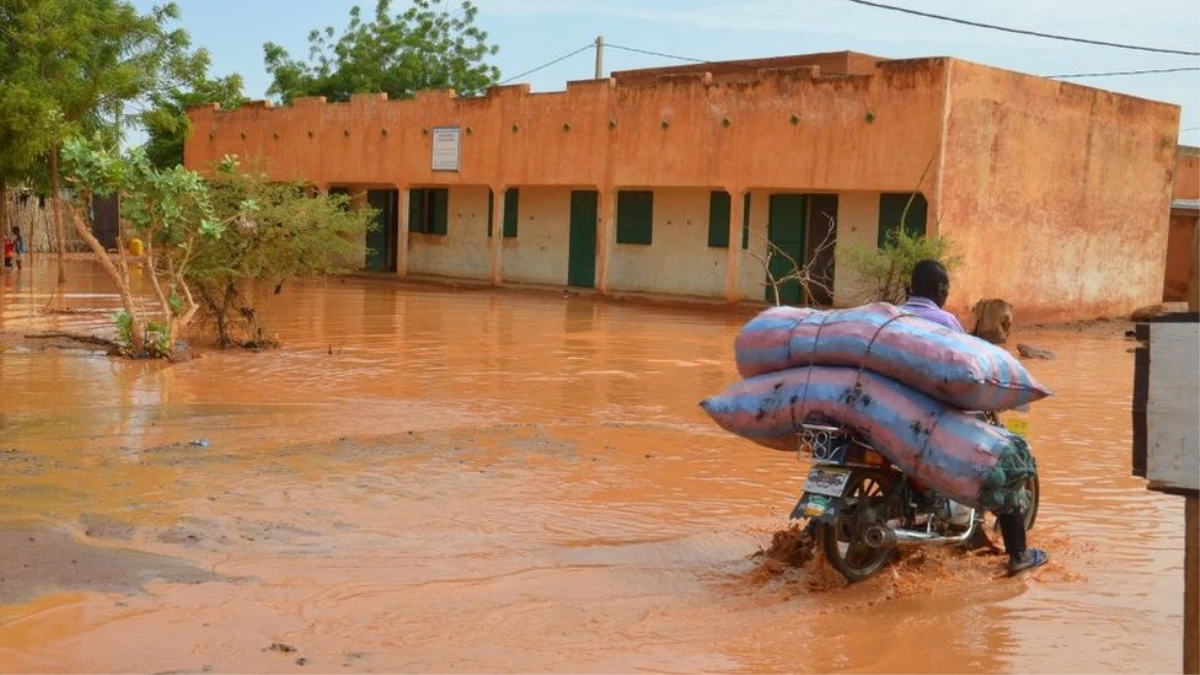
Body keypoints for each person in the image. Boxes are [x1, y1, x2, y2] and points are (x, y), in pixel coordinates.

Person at [900, 259, 1049, 575]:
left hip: (896, 416)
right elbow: (963, 374)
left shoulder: (894, 317)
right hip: (935, 418)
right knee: (1008, 463)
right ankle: (1018, 555)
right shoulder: (947, 323)